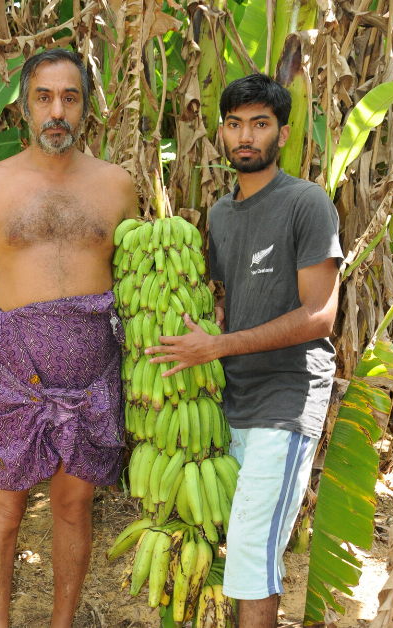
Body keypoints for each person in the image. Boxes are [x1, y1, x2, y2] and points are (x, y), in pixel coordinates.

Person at [0, 49, 137, 628]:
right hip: (17, 375)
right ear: (23, 105)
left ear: (86, 109)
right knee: (3, 506)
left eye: (70, 98)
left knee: (74, 506)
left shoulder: (118, 187)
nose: (56, 111)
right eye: (44, 97)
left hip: (95, 376)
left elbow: (136, 290)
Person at [145, 73, 342, 628]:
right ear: (222, 134)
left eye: (260, 123)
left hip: (286, 394)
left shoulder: (307, 203)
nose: (245, 136)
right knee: (226, 546)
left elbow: (321, 315)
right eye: (234, 125)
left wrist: (217, 346)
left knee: (253, 556)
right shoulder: (220, 216)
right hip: (228, 397)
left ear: (282, 133)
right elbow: (227, 303)